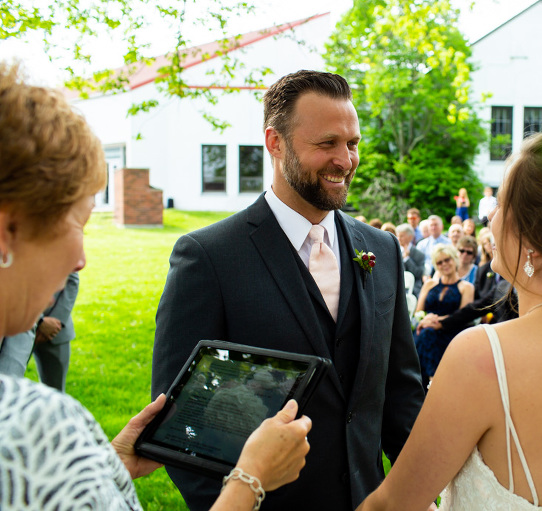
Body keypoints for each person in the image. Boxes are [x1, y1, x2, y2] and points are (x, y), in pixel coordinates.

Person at [0, 62, 311, 511]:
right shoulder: (35, 425)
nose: (80, 259)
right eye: (77, 224)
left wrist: (108, 466)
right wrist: (250, 479)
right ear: (8, 230)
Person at [152, 70, 424, 511]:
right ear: (275, 143)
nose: (346, 159)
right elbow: (181, 422)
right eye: (327, 144)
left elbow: (400, 394)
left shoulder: (382, 250)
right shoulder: (209, 257)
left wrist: (418, 490)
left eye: (352, 143)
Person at [357, 134, 542, 511]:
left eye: (501, 203)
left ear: (534, 239)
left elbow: (390, 507)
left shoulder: (484, 356)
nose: (489, 216)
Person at [413, 244, 474, 390]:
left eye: (447, 260)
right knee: (425, 334)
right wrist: (425, 319)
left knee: (427, 335)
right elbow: (418, 312)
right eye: (439, 262)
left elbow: (463, 315)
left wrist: (438, 320)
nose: (444, 264)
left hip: (450, 330)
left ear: (455, 259)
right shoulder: (429, 285)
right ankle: (430, 382)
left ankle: (428, 382)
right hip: (426, 327)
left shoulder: (466, 287)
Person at [31, 271, 79, 391]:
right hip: (14, 330)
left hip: (55, 331)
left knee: (55, 393)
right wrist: (39, 321)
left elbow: (72, 280)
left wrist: (56, 321)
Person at [396, 223, 425, 298]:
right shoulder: (394, 252)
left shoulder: (419, 254)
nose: (399, 238)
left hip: (413, 290)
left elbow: (418, 274)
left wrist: (407, 259)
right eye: (398, 236)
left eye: (401, 236)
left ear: (410, 237)